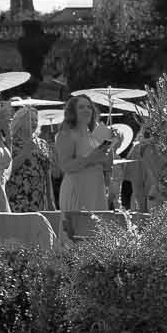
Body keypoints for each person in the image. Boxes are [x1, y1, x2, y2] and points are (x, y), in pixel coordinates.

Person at [54, 94, 113, 233]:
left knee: (96, 235)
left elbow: (107, 165)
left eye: (89, 107)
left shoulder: (96, 135)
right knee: (77, 236)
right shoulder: (66, 134)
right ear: (73, 111)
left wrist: (112, 147)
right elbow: (65, 166)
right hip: (77, 188)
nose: (86, 110)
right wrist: (91, 158)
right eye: (81, 107)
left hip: (96, 189)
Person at [3, 109, 54, 214]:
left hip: (39, 197)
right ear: (20, 121)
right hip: (18, 196)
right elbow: (6, 170)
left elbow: (47, 174)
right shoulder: (10, 142)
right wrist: (25, 152)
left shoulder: (42, 143)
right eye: (31, 120)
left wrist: (50, 200)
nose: (34, 123)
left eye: (36, 120)